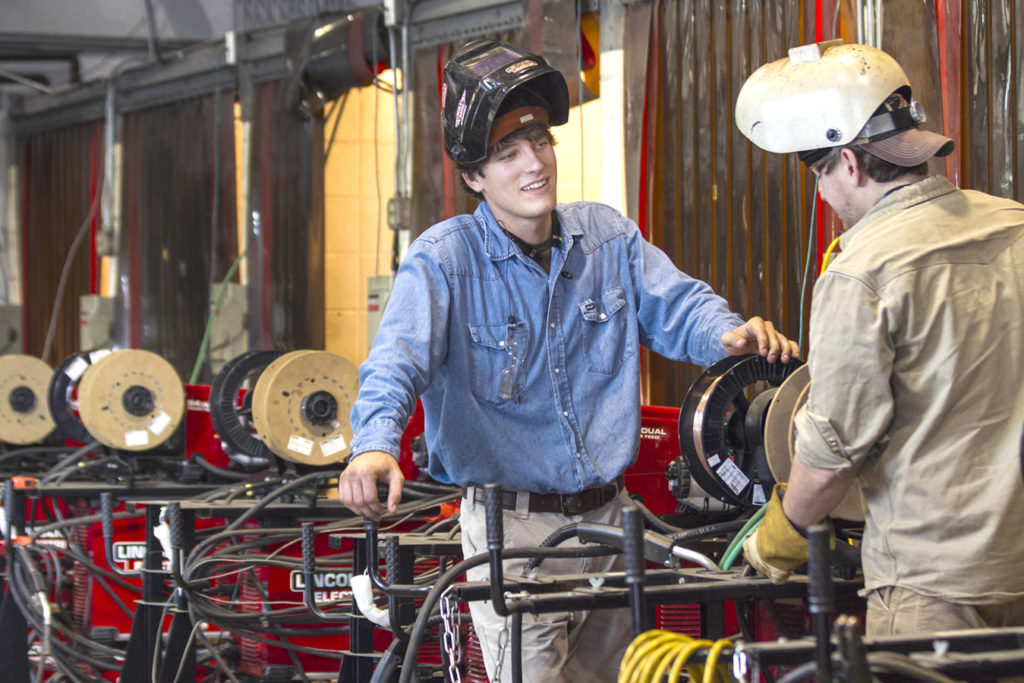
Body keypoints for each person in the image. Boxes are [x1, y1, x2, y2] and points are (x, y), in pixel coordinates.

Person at [338, 39, 799, 682]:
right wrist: (372, 446)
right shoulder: (444, 261)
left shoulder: (608, 239)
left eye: (541, 142)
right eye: (508, 153)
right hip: (512, 534)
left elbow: (680, 307)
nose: (535, 164)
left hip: (611, 525)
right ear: (473, 176)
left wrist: (728, 334)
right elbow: (395, 362)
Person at [736, 40, 1024, 638]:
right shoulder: (1013, 223)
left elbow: (832, 452)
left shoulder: (863, 270)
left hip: (934, 586)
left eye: (819, 174)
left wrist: (776, 541)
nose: (823, 194)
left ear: (849, 163)